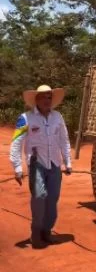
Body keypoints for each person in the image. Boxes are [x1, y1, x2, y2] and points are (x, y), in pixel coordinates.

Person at [9, 84, 72, 249]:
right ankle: (35, 234)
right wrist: (17, 167)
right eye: (43, 96)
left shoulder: (58, 117)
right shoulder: (25, 118)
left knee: (52, 199)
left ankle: (47, 232)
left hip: (55, 164)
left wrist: (68, 162)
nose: (47, 100)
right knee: (39, 198)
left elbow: (64, 140)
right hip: (37, 164)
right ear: (36, 99)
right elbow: (16, 143)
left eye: (49, 97)